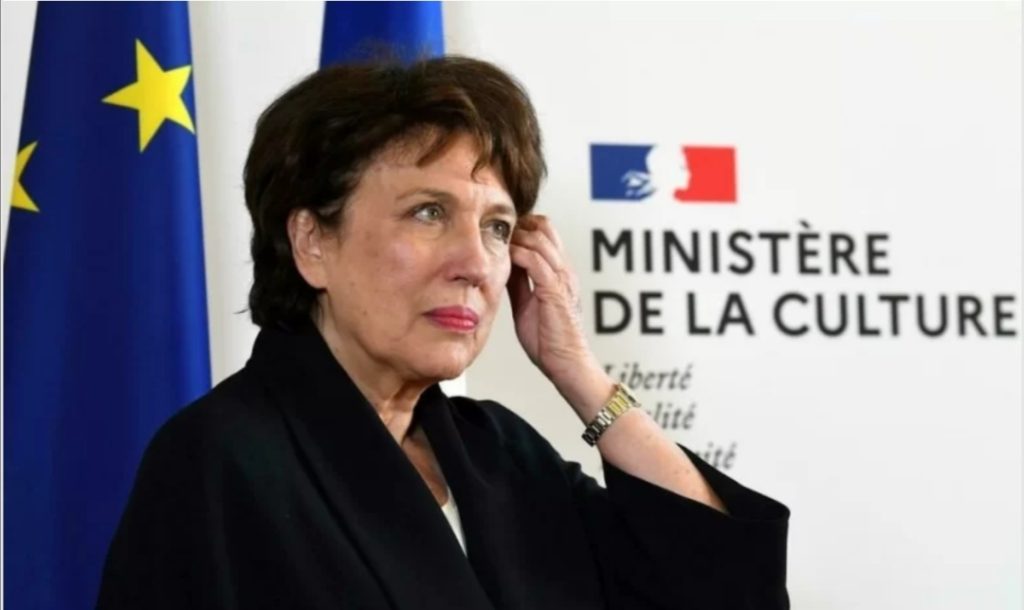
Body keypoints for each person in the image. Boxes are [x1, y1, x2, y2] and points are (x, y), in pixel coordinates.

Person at [97, 56, 790, 609]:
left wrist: (577, 371)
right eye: (429, 212)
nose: (475, 264)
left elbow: (727, 590)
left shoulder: (500, 454)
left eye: (497, 226)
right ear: (312, 242)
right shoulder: (221, 459)